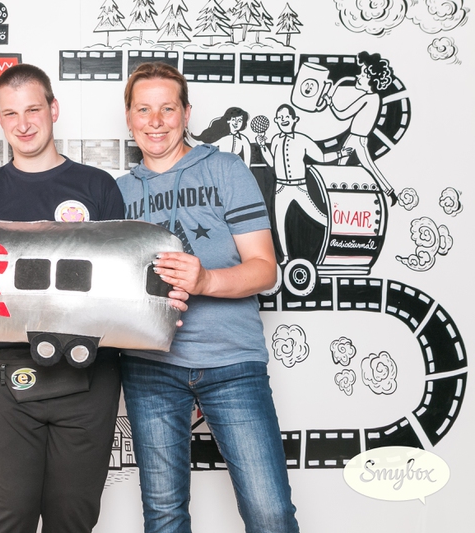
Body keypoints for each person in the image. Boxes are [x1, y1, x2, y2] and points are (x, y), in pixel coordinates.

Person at [0, 63, 185, 533]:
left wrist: (160, 307)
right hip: (4, 379)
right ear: (0, 119)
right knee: (11, 516)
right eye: (10, 113)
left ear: (53, 109)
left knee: (74, 519)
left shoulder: (97, 187)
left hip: (90, 380)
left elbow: (124, 276)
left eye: (33, 110)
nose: (23, 124)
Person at [117, 62, 300, 533]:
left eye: (167, 108)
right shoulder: (117, 194)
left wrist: (205, 281)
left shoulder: (225, 169)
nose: (155, 121)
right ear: (129, 117)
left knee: (270, 513)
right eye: (143, 109)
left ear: (186, 113)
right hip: (150, 368)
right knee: (164, 517)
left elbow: (265, 269)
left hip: (232, 362)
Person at [257, 103, 352, 264]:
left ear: (294, 119)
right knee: (279, 224)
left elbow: (321, 158)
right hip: (281, 188)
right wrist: (262, 146)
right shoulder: (275, 139)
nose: (283, 120)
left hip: (299, 187)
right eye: (280, 117)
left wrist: (340, 153)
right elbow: (272, 162)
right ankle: (285, 258)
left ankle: (340, 238)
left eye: (287, 116)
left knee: (319, 217)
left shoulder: (302, 140)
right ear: (276, 120)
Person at [325, 51, 398, 206]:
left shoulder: (368, 98)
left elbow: (342, 114)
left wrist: (330, 103)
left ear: (372, 79)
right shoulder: (375, 98)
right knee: (350, 166)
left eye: (363, 74)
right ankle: (389, 192)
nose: (358, 76)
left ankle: (338, 197)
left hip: (357, 139)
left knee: (351, 167)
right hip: (356, 138)